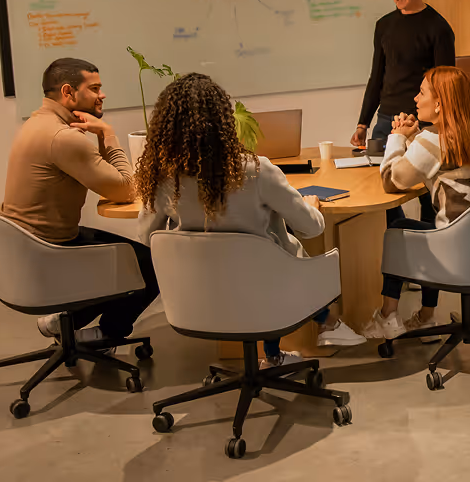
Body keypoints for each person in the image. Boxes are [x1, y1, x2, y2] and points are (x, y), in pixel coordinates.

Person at [136, 73, 366, 366]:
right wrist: (311, 205)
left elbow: (146, 237)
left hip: (198, 296)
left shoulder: (162, 180)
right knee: (276, 247)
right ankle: (325, 323)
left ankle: (283, 351)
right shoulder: (257, 171)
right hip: (267, 292)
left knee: (264, 249)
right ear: (222, 121)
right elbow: (311, 228)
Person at [1, 58, 158, 345]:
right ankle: (106, 334)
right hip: (47, 250)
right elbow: (125, 190)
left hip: (23, 245)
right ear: (68, 92)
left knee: (128, 256)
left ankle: (66, 322)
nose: (102, 95)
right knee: (150, 263)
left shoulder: (37, 123)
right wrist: (108, 135)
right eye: (95, 88)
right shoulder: (62, 137)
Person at [362, 66, 470, 340]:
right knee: (432, 223)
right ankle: (427, 317)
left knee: (401, 229)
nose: (416, 99)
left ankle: (387, 317)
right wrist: (413, 140)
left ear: (439, 103)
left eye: (422, 92)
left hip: (458, 250)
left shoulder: (433, 140)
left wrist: (397, 137)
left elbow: (392, 181)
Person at [352, 0, 456, 224]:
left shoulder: (438, 27)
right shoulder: (384, 25)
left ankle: (432, 243)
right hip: (386, 121)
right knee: (382, 187)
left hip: (422, 123)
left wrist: (441, 125)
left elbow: (446, 84)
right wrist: (364, 122)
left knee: (427, 192)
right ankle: (395, 239)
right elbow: (377, 76)